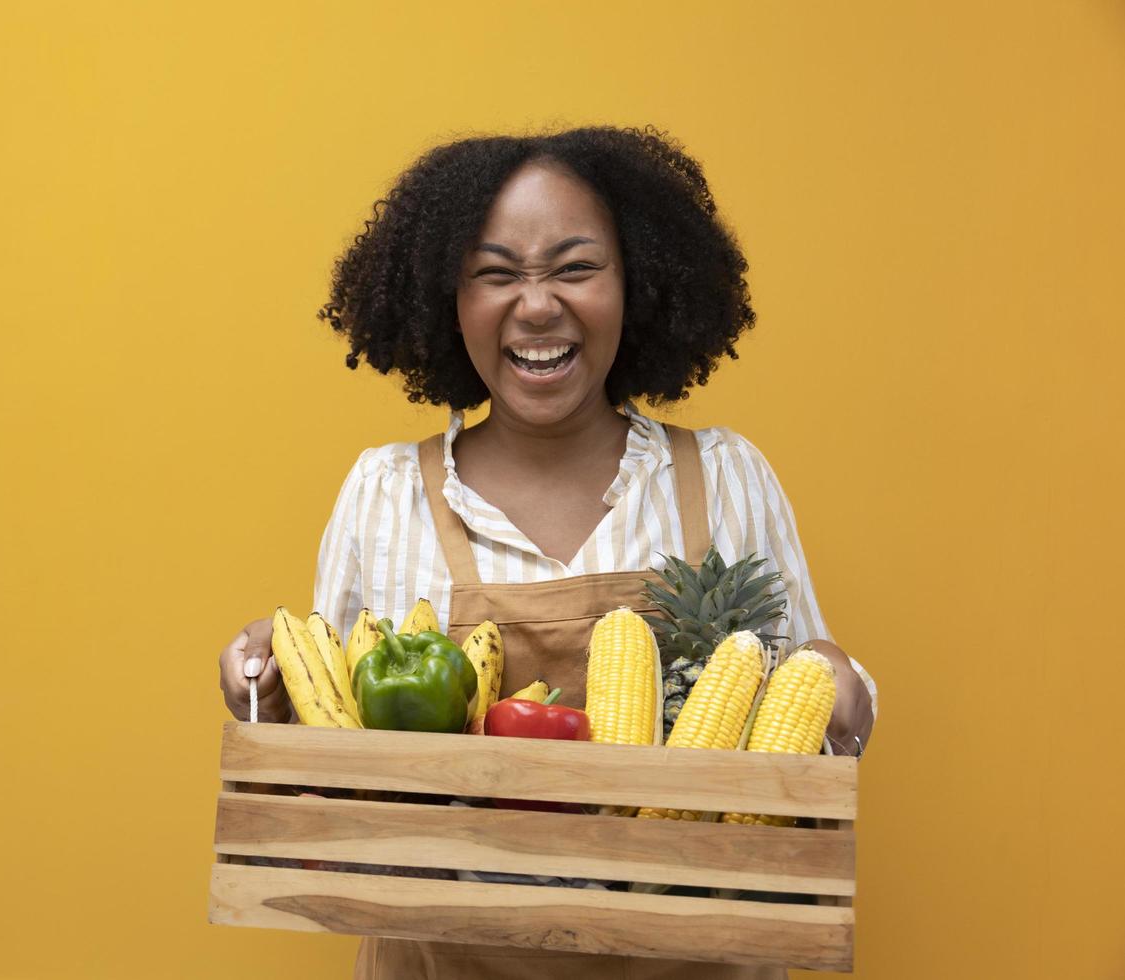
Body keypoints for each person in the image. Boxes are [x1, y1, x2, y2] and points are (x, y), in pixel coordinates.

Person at [215, 125, 877, 980]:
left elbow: (818, 732)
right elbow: (331, 742)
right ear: (444, 300)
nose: (536, 306)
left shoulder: (723, 476)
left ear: (635, 283)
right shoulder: (382, 492)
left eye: (574, 268)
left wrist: (838, 678)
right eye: (495, 274)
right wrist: (257, 680)